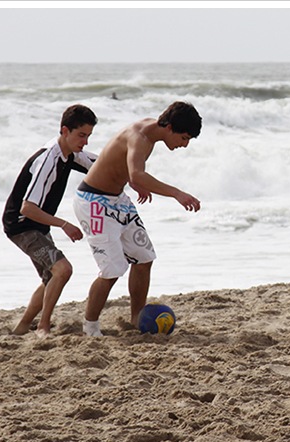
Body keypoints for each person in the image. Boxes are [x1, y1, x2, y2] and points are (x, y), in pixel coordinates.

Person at [73, 101, 202, 337]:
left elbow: (128, 162)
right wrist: (177, 193)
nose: (184, 145)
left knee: (144, 258)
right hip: (93, 202)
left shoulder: (151, 131)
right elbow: (137, 170)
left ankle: (136, 318)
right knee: (111, 269)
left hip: (117, 199)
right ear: (170, 127)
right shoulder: (141, 136)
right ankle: (90, 326)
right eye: (184, 138)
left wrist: (133, 181)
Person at [2, 104, 98, 338]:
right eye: (81, 135)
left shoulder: (71, 153)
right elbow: (28, 208)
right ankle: (43, 327)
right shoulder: (48, 160)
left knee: (50, 277)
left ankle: (23, 327)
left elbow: (102, 163)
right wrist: (64, 224)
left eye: (88, 136)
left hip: (37, 224)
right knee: (62, 270)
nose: (85, 142)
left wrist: (133, 171)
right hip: (22, 224)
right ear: (65, 131)